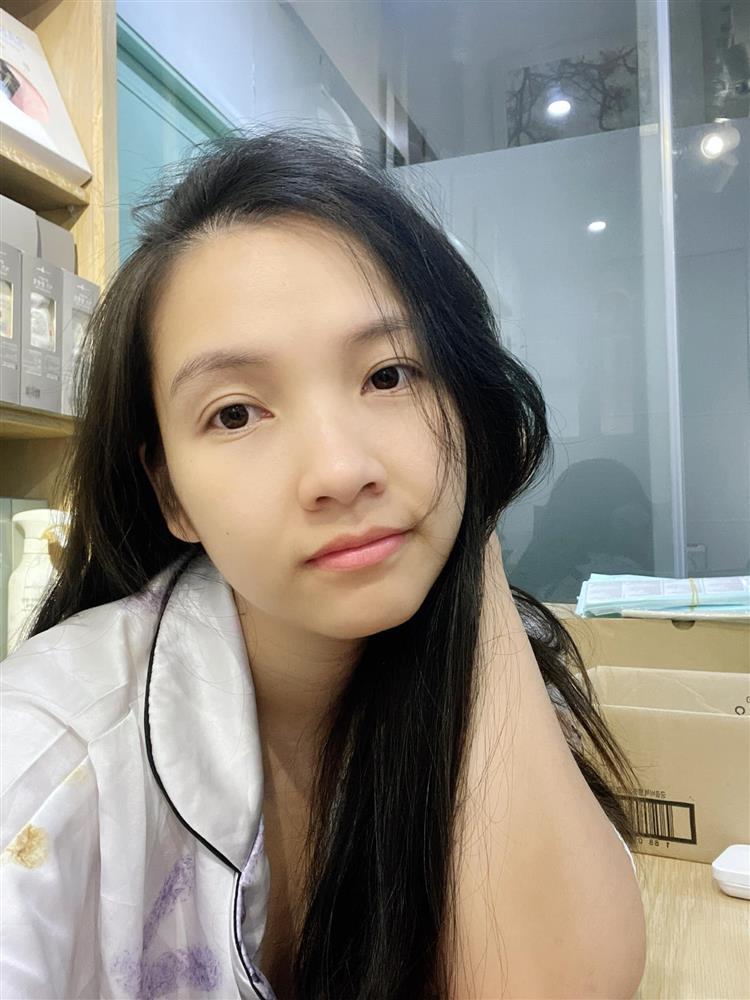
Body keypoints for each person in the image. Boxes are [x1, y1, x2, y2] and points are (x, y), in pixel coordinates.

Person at [0, 127, 645, 1000]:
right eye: (235, 413)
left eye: (390, 375)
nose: (340, 471)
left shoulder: (501, 653)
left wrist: (471, 518)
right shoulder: (42, 762)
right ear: (171, 493)